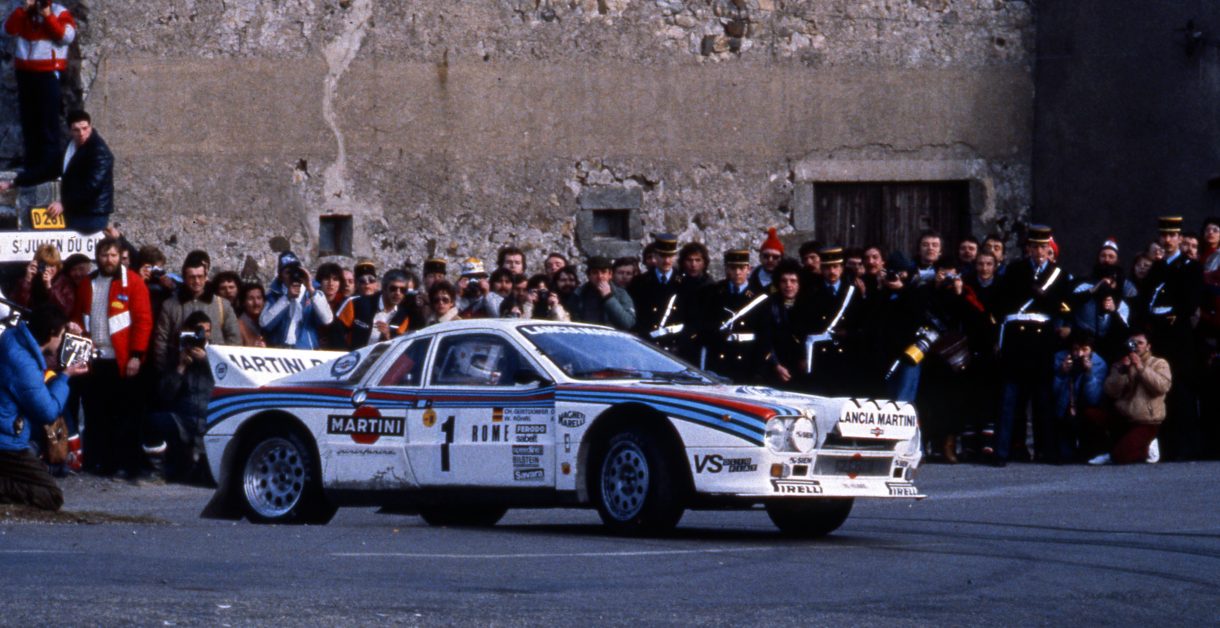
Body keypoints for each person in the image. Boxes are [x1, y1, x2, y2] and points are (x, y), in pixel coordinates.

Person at [68, 237, 153, 476]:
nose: (109, 260)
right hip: (95, 360)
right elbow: (77, 317)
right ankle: (100, 463)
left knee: (124, 415)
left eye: (113, 255)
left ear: (120, 256)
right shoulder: (87, 283)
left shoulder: (134, 282)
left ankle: (126, 465)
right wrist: (75, 331)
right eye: (105, 255)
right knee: (96, 413)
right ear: (97, 257)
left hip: (123, 360)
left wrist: (136, 356)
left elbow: (143, 322)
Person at [989, 225, 1072, 466]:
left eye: (1043, 247)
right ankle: (1001, 452)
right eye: (1035, 247)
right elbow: (1000, 301)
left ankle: (1047, 451)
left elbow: (1065, 306)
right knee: (1009, 398)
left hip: (1041, 339)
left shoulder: (1058, 274)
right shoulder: (1015, 270)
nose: (1039, 252)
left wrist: (1045, 297)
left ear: (1049, 248)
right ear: (1028, 249)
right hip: (1016, 338)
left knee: (1043, 398)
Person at [0, 305, 88, 510]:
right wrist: (65, 376)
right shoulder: (23, 365)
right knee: (51, 496)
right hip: (7, 442)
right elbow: (47, 412)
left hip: (8, 430)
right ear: (51, 333)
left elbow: (37, 371)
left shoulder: (14, 339)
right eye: (62, 336)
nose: (62, 340)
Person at [1144, 216, 1202, 460]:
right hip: (1159, 336)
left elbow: (1189, 303)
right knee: (1160, 391)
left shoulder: (1190, 267)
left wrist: (1171, 317)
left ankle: (1186, 447)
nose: (1167, 240)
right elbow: (1146, 300)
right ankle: (1166, 446)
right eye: (1164, 235)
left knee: (1181, 390)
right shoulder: (1156, 268)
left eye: (1172, 235)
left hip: (1178, 336)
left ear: (1180, 238)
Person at [1, 0, 77, 185]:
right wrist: (23, 10)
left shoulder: (59, 12)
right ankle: (33, 166)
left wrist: (48, 16)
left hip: (47, 73)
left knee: (47, 121)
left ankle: (49, 167)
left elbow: (66, 37)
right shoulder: (20, 12)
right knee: (30, 121)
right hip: (25, 72)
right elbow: (7, 31)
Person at [2, 111, 114, 233]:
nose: (81, 133)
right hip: (76, 211)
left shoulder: (99, 152)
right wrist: (14, 182)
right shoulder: (70, 147)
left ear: (90, 126)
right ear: (70, 130)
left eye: (85, 128)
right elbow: (48, 171)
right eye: (76, 130)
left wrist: (64, 203)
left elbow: (90, 188)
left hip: (92, 215)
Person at [146, 311, 214, 483]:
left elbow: (226, 376)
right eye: (199, 331)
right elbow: (165, 394)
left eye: (207, 331)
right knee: (154, 422)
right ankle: (157, 471)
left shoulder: (217, 354)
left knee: (204, 479)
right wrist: (181, 367)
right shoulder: (177, 353)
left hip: (210, 418)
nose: (203, 335)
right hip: (182, 419)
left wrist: (207, 360)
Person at [1089, 333, 1171, 465]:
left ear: (1148, 346)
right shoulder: (1120, 364)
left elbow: (1162, 387)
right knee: (1091, 414)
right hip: (1124, 416)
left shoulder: (1159, 363)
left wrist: (1141, 368)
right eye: (1132, 343)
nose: (1136, 346)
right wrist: (1122, 372)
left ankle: (1147, 447)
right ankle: (1110, 450)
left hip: (1147, 420)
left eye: (1140, 343)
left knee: (1122, 456)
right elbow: (1111, 391)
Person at [151, 250, 240, 372]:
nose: (197, 281)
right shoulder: (169, 306)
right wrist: (168, 372)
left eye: (200, 276)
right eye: (192, 277)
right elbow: (161, 341)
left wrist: (221, 368)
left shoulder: (222, 305)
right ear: (184, 278)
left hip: (213, 373)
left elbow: (234, 341)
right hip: (179, 371)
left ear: (206, 276)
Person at [696, 249, 761, 382]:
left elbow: (764, 335)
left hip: (747, 360)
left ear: (748, 269)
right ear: (726, 269)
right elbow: (706, 327)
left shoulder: (759, 296)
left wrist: (759, 367)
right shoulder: (714, 292)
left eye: (741, 268)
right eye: (733, 268)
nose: (737, 272)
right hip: (720, 358)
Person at [1051, 331, 1108, 463]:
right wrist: (1061, 373)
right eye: (1076, 349)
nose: (1080, 354)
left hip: (1086, 410)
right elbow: (1053, 393)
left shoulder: (1099, 363)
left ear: (1091, 350)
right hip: (1065, 408)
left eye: (1084, 349)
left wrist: (1089, 374)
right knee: (1065, 456)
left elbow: (1094, 398)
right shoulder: (1060, 358)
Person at [260, 250, 334, 349]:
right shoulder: (274, 295)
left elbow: (327, 319)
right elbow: (264, 323)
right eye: (288, 272)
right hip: (279, 350)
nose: (293, 276)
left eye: (296, 271)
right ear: (280, 276)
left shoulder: (313, 293)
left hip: (305, 350)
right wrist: (286, 298)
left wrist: (311, 289)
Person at [757, 259, 810, 388]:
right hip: (775, 368)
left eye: (793, 281)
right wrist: (776, 365)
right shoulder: (769, 305)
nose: (788, 285)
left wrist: (806, 359)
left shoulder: (809, 305)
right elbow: (765, 339)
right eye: (784, 281)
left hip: (803, 368)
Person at [334, 269, 418, 348]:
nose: (398, 293)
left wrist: (388, 336)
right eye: (393, 289)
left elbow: (398, 346)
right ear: (384, 288)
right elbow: (335, 333)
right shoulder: (355, 303)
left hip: (381, 357)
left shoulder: (403, 315)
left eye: (403, 290)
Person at [629, 233, 684, 350]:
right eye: (662, 256)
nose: (667, 260)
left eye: (670, 256)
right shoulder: (640, 282)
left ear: (675, 256)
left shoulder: (684, 283)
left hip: (675, 346)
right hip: (647, 344)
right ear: (655, 256)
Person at [571, 256, 636, 331]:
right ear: (589, 275)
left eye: (603, 272)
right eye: (595, 273)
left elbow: (628, 323)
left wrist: (608, 297)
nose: (600, 276)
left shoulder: (621, 294)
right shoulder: (579, 293)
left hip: (612, 336)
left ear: (610, 274)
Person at [748, 227, 785, 293]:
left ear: (781, 258)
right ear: (760, 257)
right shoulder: (750, 276)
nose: (770, 260)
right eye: (766, 256)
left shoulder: (786, 279)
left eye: (775, 257)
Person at [237, 282, 266, 347]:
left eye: (259, 298)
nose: (256, 303)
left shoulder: (266, 324)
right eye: (250, 299)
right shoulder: (238, 326)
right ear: (243, 302)